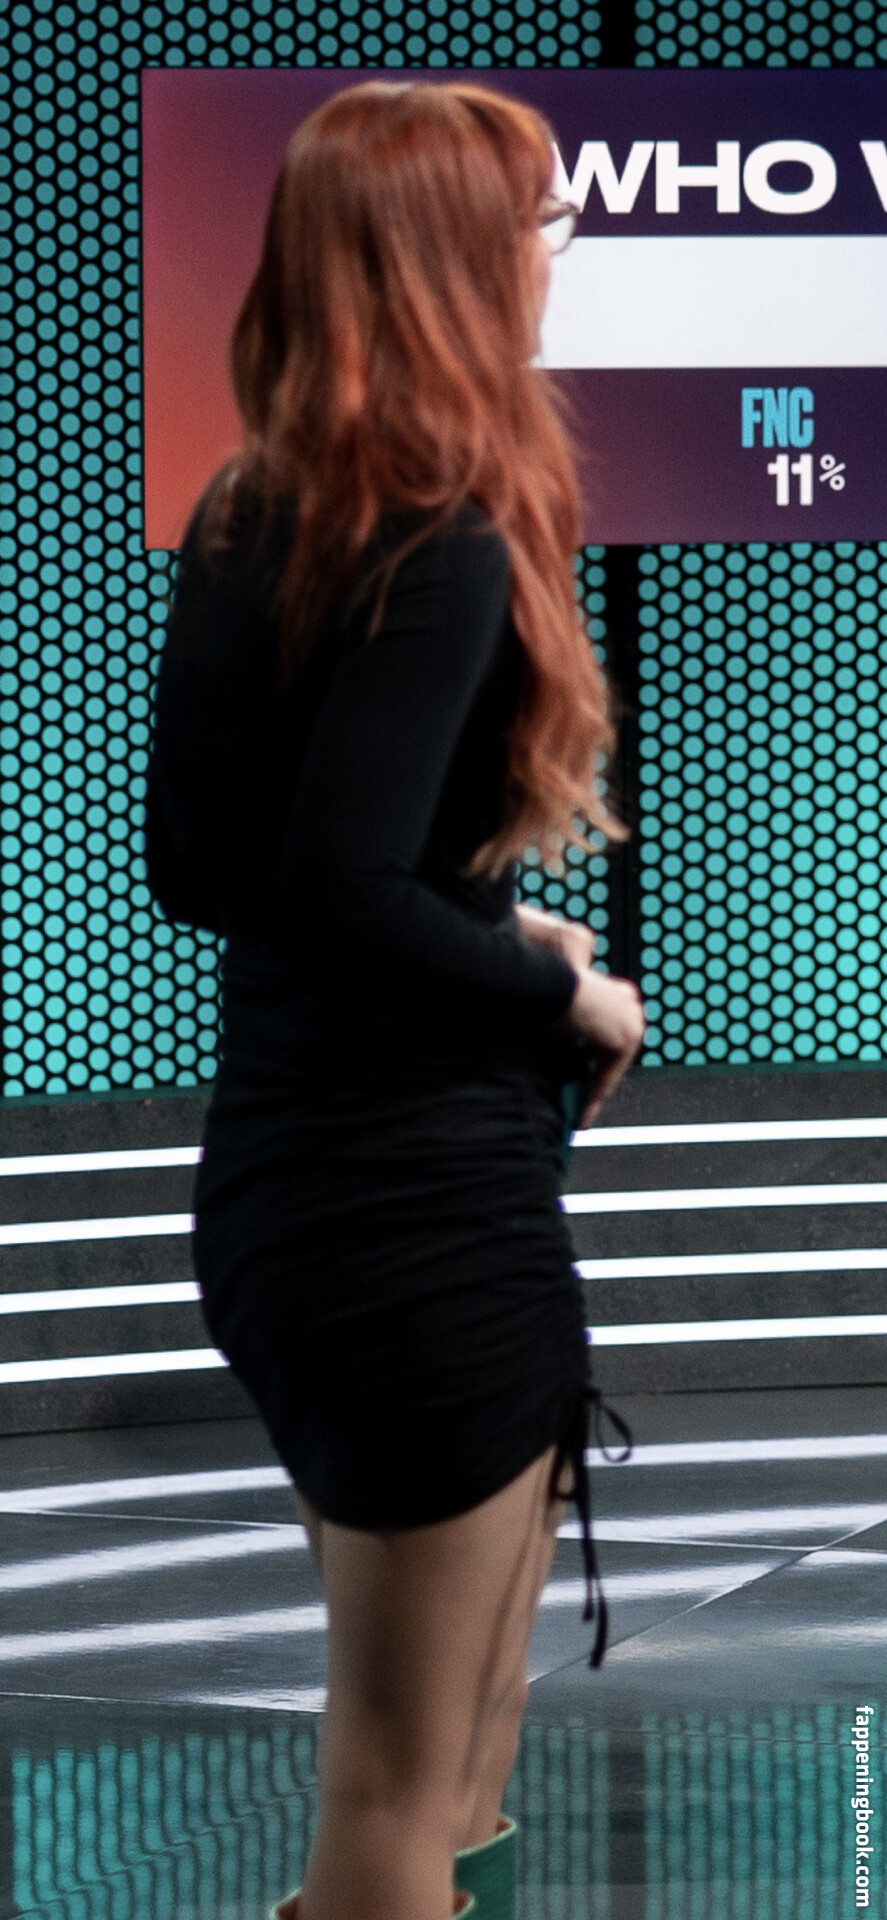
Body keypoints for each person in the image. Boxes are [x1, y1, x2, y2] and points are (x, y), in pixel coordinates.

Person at [143, 77, 645, 1920]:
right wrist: (557, 989)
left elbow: (208, 872)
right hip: (408, 1213)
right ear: (448, 258)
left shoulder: (250, 508)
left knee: (459, 1760)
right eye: (537, 218)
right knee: (399, 1789)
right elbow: (339, 890)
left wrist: (498, 928)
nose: (557, 250)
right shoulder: (441, 531)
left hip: (311, 1191)